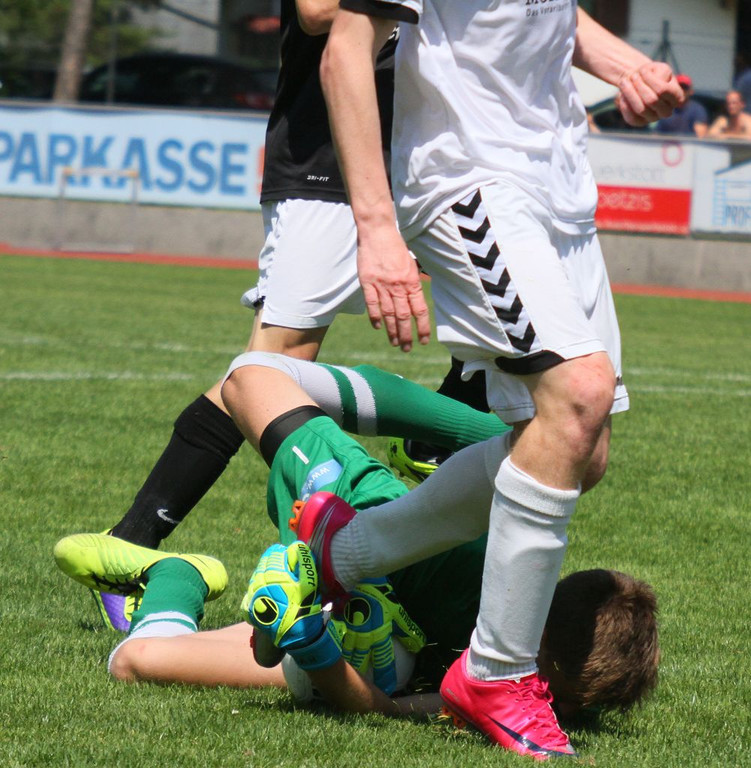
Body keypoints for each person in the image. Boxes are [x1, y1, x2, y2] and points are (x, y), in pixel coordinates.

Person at [308, 2, 681, 758]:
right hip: (466, 177)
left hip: (560, 187)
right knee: (577, 394)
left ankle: (345, 551)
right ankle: (496, 672)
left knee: (579, 451)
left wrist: (628, 69)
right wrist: (375, 227)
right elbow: (345, 44)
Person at [92, 0, 486, 631]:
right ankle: (130, 546)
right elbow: (315, 11)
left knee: (510, 315)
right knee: (270, 369)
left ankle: (429, 444)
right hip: (325, 168)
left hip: (423, 167)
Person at [54, 351, 659, 726]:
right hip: (357, 513)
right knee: (253, 374)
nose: (548, 705)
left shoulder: (538, 688)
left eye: (563, 706)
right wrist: (475, 433)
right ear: (538, 628)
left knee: (135, 661)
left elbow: (389, 708)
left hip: (359, 639)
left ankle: (175, 575)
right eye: (552, 689)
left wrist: (318, 651)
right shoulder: (460, 557)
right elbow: (247, 380)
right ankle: (458, 438)